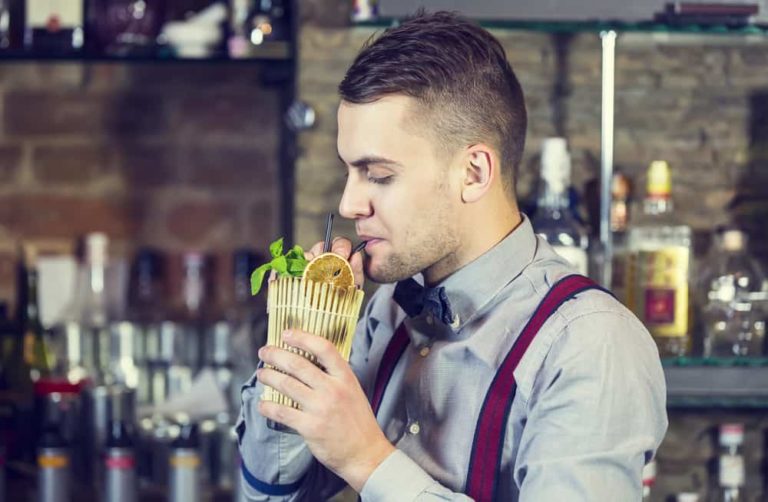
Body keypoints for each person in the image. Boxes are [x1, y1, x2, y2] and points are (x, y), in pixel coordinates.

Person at [237, 10, 667, 501]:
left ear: (474, 173)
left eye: (378, 175)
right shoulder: (384, 312)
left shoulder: (590, 345)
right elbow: (269, 494)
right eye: (349, 173)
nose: (348, 204)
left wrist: (364, 458)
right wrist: (299, 358)